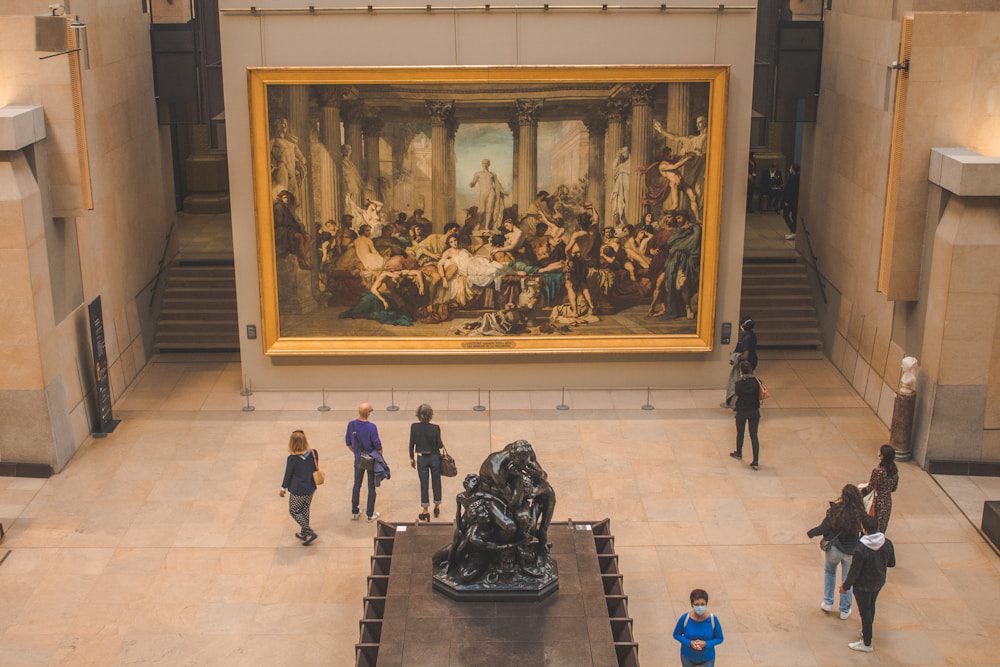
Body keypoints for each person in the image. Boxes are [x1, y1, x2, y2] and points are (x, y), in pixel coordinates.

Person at [806, 484, 867, 619]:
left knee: (829, 572)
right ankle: (844, 610)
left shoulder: (835, 511)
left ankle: (828, 602)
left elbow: (824, 527)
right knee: (847, 580)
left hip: (834, 549)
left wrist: (812, 533)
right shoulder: (860, 514)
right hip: (851, 552)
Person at [841, 516, 896, 653]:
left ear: (864, 529)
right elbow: (892, 563)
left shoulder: (861, 548)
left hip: (863, 586)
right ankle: (867, 630)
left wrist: (845, 587)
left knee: (864, 611)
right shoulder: (887, 542)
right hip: (878, 581)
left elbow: (854, 572)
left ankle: (867, 642)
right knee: (871, 606)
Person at [279, 430, 319, 545]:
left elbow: (288, 474)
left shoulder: (292, 459)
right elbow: (315, 468)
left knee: (294, 510)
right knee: (305, 509)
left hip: (298, 490)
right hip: (311, 486)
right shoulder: (313, 453)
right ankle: (304, 534)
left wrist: (283, 488)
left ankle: (309, 531)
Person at [346, 403, 383, 522]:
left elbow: (348, 443)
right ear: (368, 413)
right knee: (371, 486)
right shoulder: (372, 427)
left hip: (358, 459)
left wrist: (356, 453)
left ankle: (355, 512)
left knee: (357, 484)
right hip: (371, 459)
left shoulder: (351, 425)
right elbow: (377, 444)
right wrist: (380, 456)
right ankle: (370, 514)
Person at [409, 403, 444, 522]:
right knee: (436, 482)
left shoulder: (414, 427)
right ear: (431, 416)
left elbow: (411, 444)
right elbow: (439, 445)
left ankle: (425, 510)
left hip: (421, 458)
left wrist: (411, 458)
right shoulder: (435, 428)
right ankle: (437, 506)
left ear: (418, 415)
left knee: (424, 484)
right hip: (434, 458)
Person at [672, 588, 724, 666]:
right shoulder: (685, 618)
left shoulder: (713, 619)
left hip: (707, 658)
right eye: (697, 604)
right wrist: (690, 643)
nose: (700, 607)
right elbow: (676, 634)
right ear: (692, 604)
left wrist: (706, 644)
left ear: (706, 604)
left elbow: (720, 638)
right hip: (687, 657)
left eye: (702, 604)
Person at [729, 360, 761, 470]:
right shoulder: (757, 382)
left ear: (741, 371)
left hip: (742, 410)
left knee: (740, 432)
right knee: (754, 435)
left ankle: (739, 452)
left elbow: (738, 394)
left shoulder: (739, 384)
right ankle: (756, 461)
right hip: (754, 411)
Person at [861, 444, 900, 533]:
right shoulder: (894, 471)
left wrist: (859, 493)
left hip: (877, 502)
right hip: (887, 501)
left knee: (872, 526)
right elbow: (894, 488)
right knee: (882, 526)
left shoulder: (878, 471)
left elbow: (870, 487)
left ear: (882, 456)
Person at [782, 163, 800, 240]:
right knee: (793, 216)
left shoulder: (794, 178)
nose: (790, 169)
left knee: (786, 214)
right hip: (794, 201)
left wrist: (786, 201)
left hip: (791, 201)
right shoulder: (796, 177)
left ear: (793, 169)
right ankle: (793, 231)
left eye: (790, 168)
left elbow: (790, 191)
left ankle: (794, 231)